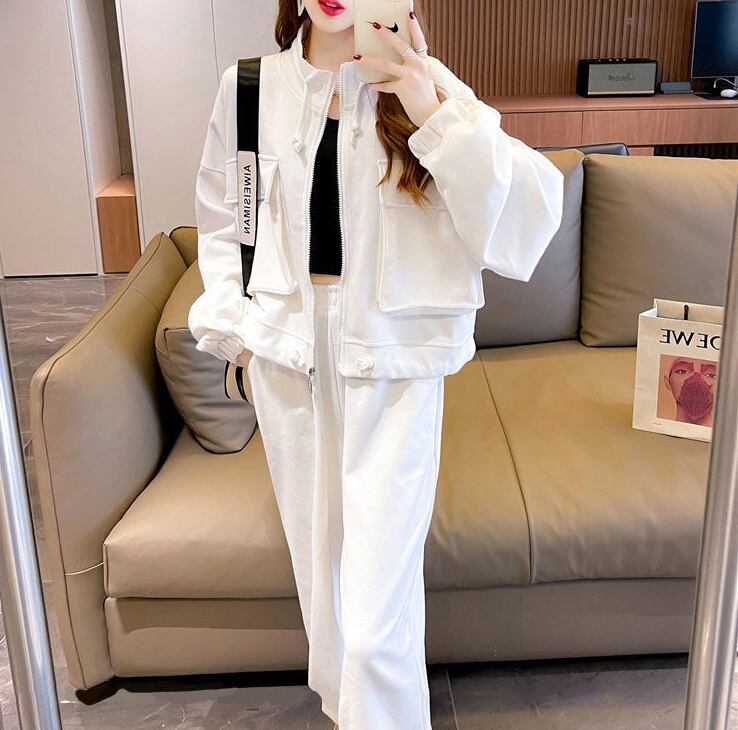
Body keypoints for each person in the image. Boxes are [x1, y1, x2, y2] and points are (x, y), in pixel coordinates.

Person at [188, 1, 565, 727]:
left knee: (373, 623)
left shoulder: (426, 84)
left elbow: (525, 222)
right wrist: (239, 336)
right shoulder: (248, 88)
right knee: (323, 597)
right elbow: (223, 220)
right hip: (288, 367)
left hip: (394, 371)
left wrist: (429, 110)